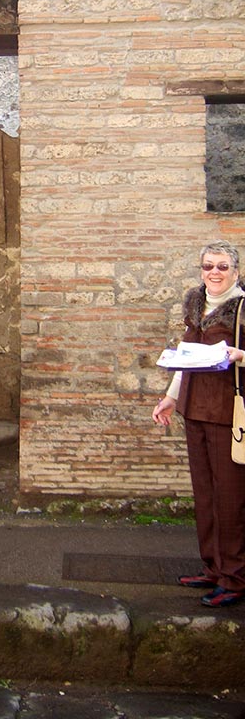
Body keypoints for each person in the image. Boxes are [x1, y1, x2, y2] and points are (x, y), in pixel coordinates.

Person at [153, 240, 245, 607]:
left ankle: (235, 578)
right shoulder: (195, 302)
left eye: (222, 266)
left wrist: (241, 354)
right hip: (195, 409)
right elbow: (186, 355)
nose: (214, 273)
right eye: (208, 266)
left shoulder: (242, 308)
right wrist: (172, 397)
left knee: (231, 499)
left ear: (235, 270)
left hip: (228, 413)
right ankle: (213, 567)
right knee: (206, 495)